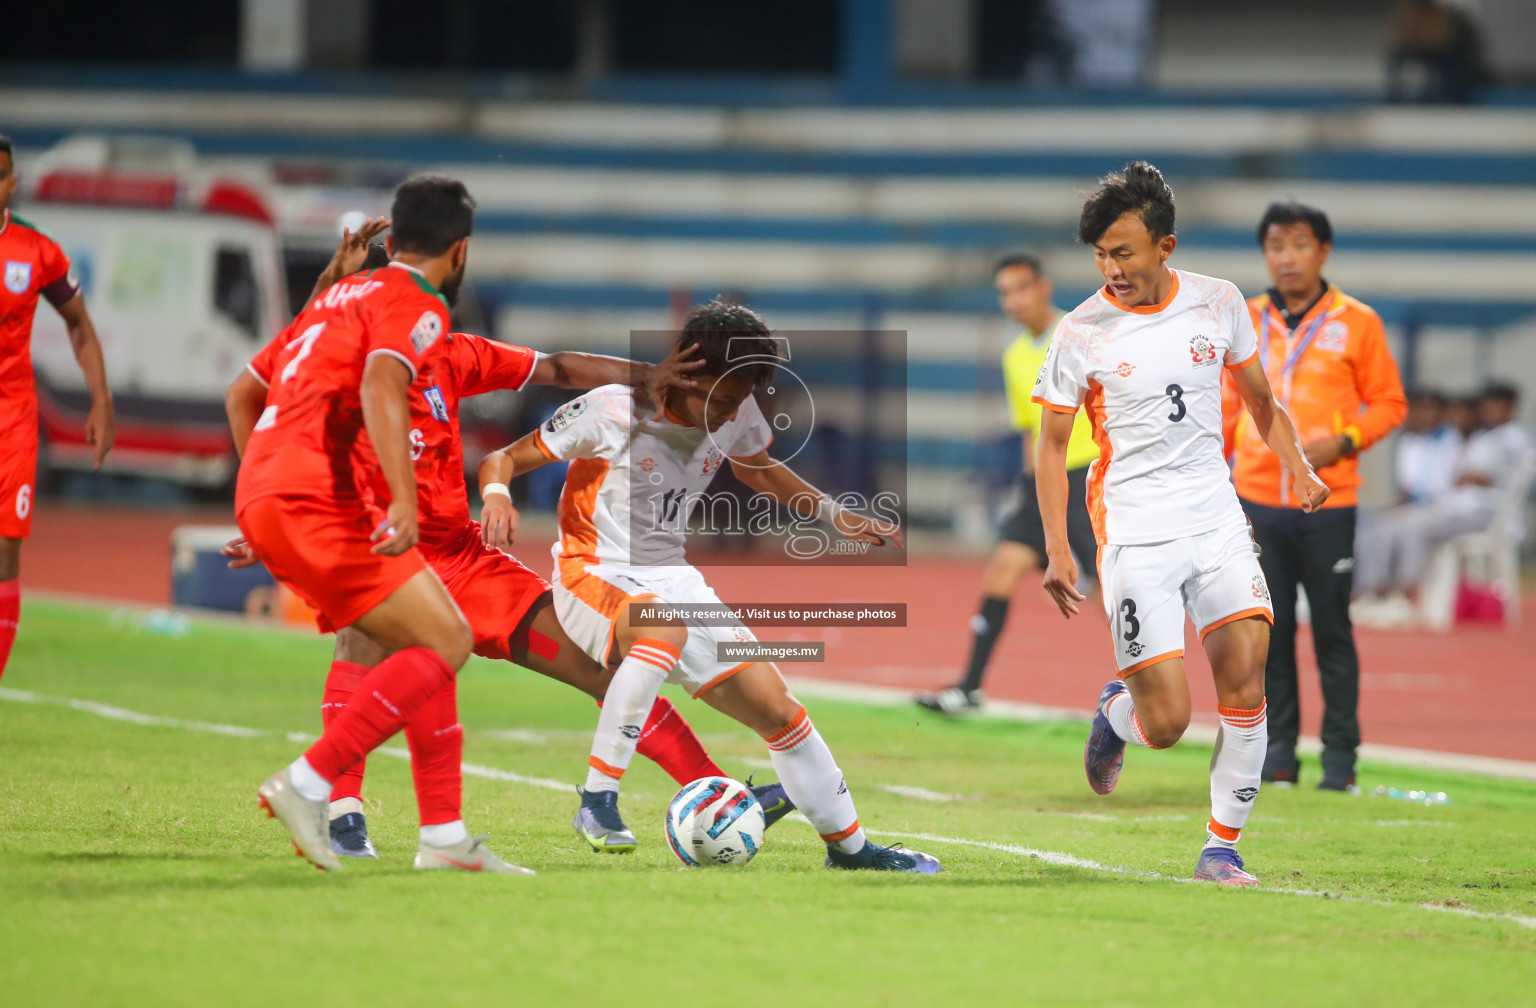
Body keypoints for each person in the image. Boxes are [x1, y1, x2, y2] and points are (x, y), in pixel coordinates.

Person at [225, 224, 789, 860]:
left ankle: (707, 789)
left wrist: (655, 377)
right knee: (368, 643)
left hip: (465, 556)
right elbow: (259, 402)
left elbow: (556, 366)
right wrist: (265, 521)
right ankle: (343, 812)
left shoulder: (447, 354)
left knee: (602, 662)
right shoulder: (333, 369)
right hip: (384, 547)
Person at [479, 299, 941, 872]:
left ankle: (851, 852)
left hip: (675, 576)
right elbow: (502, 459)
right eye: (720, 402)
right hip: (592, 570)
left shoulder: (737, 406)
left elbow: (756, 467)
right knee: (660, 629)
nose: (728, 416)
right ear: (688, 373)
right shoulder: (611, 410)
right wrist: (497, 495)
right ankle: (598, 799)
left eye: (737, 403)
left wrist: (832, 512)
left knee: (781, 712)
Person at [236, 173, 542, 873]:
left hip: (270, 489)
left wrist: (256, 502)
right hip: (319, 494)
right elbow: (382, 383)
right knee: (446, 639)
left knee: (426, 636)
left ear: (393, 235)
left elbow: (241, 393)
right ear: (460, 251)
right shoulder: (416, 301)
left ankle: (442, 836)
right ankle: (308, 783)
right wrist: (404, 499)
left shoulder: (337, 295)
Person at [1034, 162, 1328, 887]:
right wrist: (1057, 549)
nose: (1111, 269)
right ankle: (1119, 711)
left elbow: (1261, 401)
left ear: (1166, 245)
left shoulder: (1219, 303)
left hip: (1216, 516)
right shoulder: (1081, 331)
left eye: (1124, 252)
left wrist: (1298, 466)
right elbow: (1048, 446)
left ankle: (1221, 848)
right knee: (1167, 724)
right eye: (1101, 256)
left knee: (1246, 676)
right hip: (1134, 530)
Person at [1221, 201, 1406, 792]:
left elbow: (1390, 403)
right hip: (1255, 500)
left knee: (1331, 630)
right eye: (1276, 245)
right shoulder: (1241, 319)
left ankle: (1339, 761)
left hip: (1328, 503)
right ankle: (1277, 756)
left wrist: (1345, 441)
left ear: (1323, 251)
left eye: (1300, 244)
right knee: (1266, 633)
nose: (1287, 257)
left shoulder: (1358, 322)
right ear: (1265, 254)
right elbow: (1226, 409)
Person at [915, 252, 1099, 715]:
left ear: (1044, 288)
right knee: (1002, 570)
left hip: (1089, 475)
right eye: (1004, 293)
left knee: (1109, 588)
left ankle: (1150, 683)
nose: (1013, 301)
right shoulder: (1015, 356)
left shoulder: (1076, 334)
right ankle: (969, 688)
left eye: (1021, 289)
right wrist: (1029, 484)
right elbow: (1030, 429)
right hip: (1042, 481)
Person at [0, 134, 114, 683]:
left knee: (5, 550)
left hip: (12, 421)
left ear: (12, 182)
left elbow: (78, 324)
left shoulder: (35, 249)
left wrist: (102, 400)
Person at [1360, 382, 1532, 601]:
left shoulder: (1509, 437)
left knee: (1413, 527)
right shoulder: (1472, 439)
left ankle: (1407, 592)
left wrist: (1468, 478)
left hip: (1487, 513)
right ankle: (1375, 589)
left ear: (1510, 407)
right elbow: (1460, 479)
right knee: (1389, 524)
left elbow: (1472, 478)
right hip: (1461, 508)